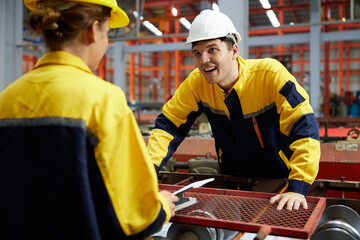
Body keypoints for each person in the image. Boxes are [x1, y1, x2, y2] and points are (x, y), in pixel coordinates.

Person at [0, 0, 178, 239]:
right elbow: (136, 219)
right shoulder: (103, 100)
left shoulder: (7, 99)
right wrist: (162, 206)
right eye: (107, 34)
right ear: (93, 30)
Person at [147, 9, 320, 211]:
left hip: (280, 183)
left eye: (212, 50)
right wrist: (146, 173)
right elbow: (168, 126)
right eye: (197, 53)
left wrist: (298, 187)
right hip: (232, 180)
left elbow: (305, 126)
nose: (203, 60)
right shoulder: (197, 83)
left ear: (234, 51)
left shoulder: (270, 76)